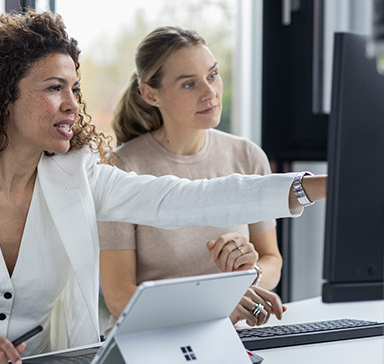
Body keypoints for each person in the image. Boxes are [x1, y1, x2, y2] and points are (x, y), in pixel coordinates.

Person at [0, 11, 327, 364]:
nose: (72, 104)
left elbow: (184, 199)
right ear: (1, 97)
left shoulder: (78, 174)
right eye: (53, 88)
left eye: (75, 89)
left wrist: (317, 186)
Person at [99, 26, 283, 332]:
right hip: (149, 340)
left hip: (230, 338)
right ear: (150, 94)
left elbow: (271, 258)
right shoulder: (121, 167)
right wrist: (216, 305)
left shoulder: (247, 156)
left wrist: (247, 278)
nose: (210, 92)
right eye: (188, 85)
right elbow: (120, 297)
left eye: (212, 75)